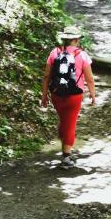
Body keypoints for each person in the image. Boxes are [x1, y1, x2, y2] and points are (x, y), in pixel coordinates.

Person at [41, 25, 96, 165]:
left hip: (56, 93)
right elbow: (89, 79)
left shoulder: (54, 52)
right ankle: (66, 157)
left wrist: (44, 95)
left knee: (64, 120)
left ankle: (64, 137)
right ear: (76, 40)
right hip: (74, 96)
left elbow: (46, 76)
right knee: (70, 124)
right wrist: (93, 95)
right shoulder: (82, 55)